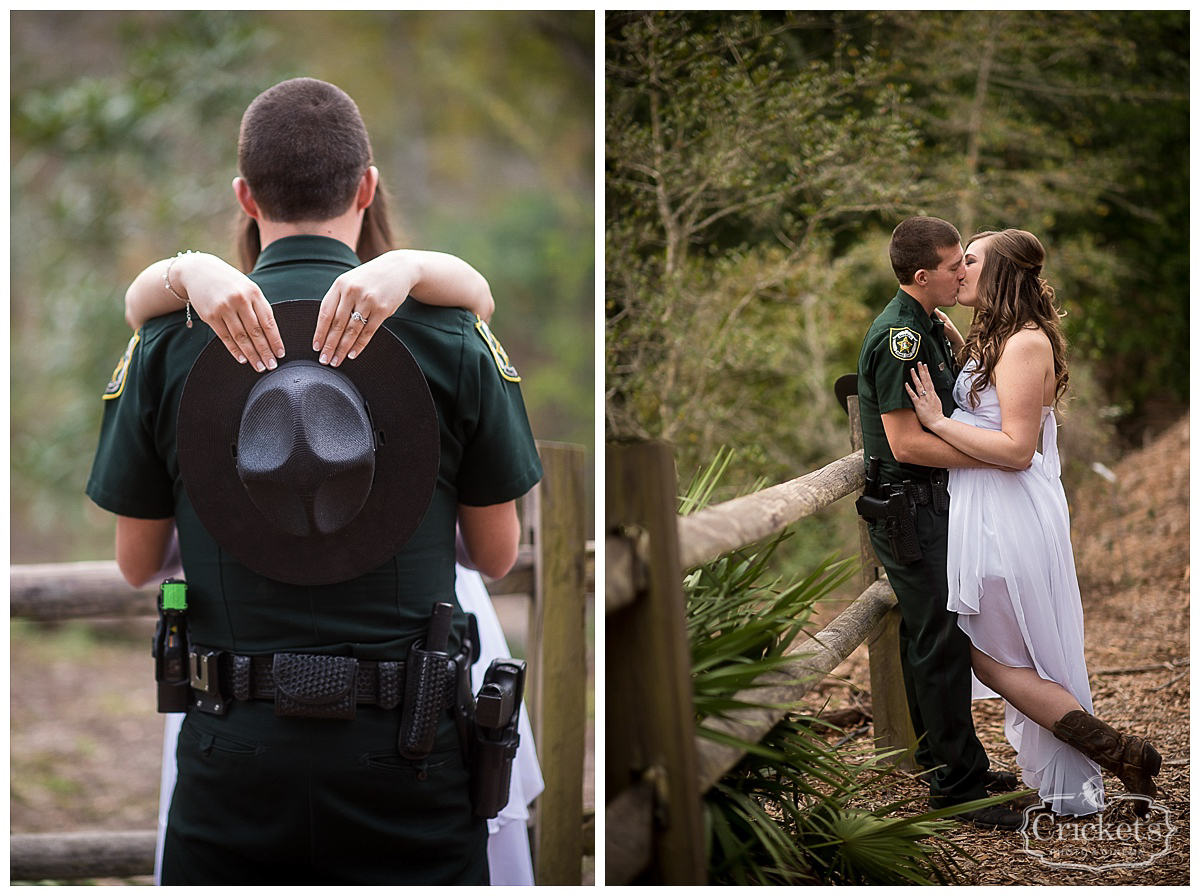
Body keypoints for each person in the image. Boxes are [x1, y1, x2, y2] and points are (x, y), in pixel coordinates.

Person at [87, 77, 543, 884]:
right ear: (367, 187)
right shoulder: (452, 336)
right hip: (410, 758)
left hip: (234, 761)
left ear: (244, 195)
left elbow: (135, 564)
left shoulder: (167, 343)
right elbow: (498, 554)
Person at [904, 228, 1162, 818]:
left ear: (1000, 274)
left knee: (989, 655)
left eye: (969, 261)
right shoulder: (992, 337)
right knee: (1001, 652)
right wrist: (945, 335)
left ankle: (1123, 751)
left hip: (1007, 511)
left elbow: (1018, 448)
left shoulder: (1024, 344)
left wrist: (938, 423)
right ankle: (1119, 753)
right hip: (987, 506)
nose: (958, 269)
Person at [856, 216, 1024, 830]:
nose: (966, 272)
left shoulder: (925, 323)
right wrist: (988, 455)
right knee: (940, 638)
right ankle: (958, 787)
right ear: (923, 275)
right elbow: (904, 444)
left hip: (929, 503)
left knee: (930, 636)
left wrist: (950, 338)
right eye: (956, 266)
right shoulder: (899, 336)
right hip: (909, 504)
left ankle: (943, 764)